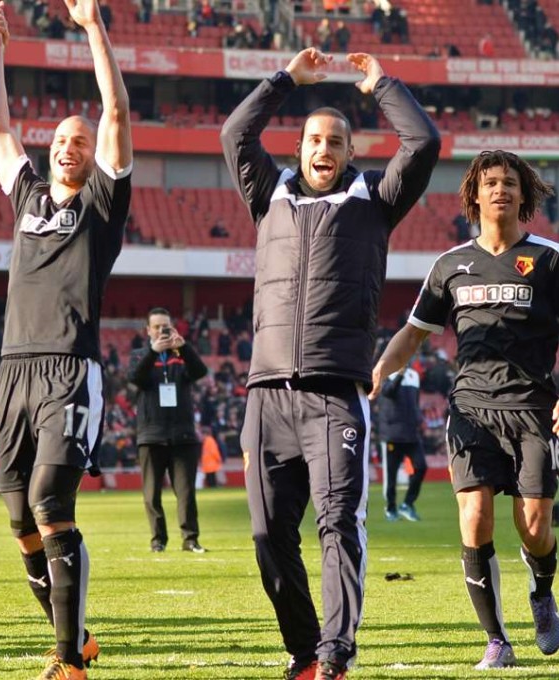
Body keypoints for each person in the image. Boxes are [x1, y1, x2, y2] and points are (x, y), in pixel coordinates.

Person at [220, 48, 440, 680]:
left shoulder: (376, 200)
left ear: (349, 152)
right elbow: (236, 131)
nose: (324, 148)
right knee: (267, 536)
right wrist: (286, 79)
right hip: (266, 396)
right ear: (300, 148)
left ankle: (335, 655)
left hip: (335, 396)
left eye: (336, 141)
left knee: (339, 526)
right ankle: (304, 647)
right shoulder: (269, 194)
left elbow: (423, 141)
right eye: (314, 139)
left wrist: (379, 85)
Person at [0, 1, 132, 676]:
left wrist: (93, 27)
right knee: (20, 523)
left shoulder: (101, 205)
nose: (70, 146)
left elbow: (118, 116)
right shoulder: (30, 199)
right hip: (12, 370)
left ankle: (68, 659)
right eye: (62, 140)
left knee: (50, 503)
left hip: (68, 369)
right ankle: (78, 635)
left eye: (80, 139)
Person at [371, 150, 559, 670]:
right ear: (474, 195)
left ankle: (542, 593)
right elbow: (414, 332)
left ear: (524, 196)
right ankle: (497, 639)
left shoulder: (549, 259)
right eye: (491, 182)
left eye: (510, 183)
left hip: (534, 411)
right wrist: (381, 367)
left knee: (535, 527)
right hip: (471, 409)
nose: (500, 189)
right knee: (474, 517)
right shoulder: (450, 265)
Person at [127, 307, 208, 554]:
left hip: (183, 435)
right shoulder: (140, 355)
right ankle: (158, 540)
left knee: (185, 493)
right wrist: (153, 353)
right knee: (152, 494)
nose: (162, 330)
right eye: (157, 327)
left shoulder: (181, 354)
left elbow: (199, 372)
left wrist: (182, 347)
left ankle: (190, 539)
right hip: (151, 435)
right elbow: (135, 378)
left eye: (166, 326)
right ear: (148, 330)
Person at [376, 360, 427, 522]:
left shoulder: (414, 376)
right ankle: (391, 508)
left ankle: (407, 504)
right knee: (391, 476)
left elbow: (415, 403)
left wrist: (419, 419)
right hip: (392, 434)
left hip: (411, 433)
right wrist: (399, 375)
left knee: (421, 466)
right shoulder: (384, 374)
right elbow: (389, 392)